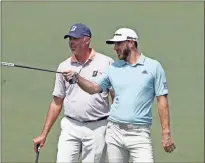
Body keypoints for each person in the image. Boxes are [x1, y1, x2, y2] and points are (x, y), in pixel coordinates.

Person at [62, 27, 176, 163]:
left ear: (131, 43)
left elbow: (162, 100)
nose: (115, 48)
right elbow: (94, 88)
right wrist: (77, 78)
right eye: (114, 44)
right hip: (114, 132)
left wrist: (166, 132)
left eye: (118, 43)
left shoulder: (153, 67)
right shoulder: (113, 68)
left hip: (140, 134)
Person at [33, 23, 114, 163]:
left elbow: (115, 97)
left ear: (87, 40)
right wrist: (43, 134)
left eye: (75, 39)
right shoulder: (64, 66)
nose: (71, 43)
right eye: (70, 39)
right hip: (71, 126)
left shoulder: (106, 63)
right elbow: (56, 103)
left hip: (97, 127)